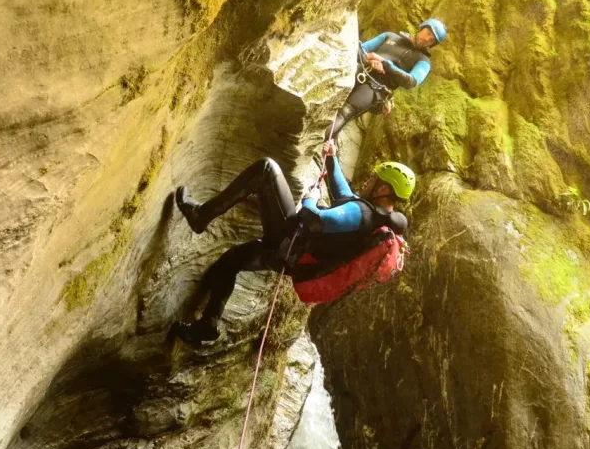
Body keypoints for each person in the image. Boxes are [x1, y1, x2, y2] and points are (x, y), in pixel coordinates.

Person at [169, 142, 415, 345]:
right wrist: (332, 158)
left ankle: (201, 216)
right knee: (231, 261)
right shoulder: (376, 218)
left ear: (382, 188)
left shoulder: (361, 214)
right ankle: (207, 326)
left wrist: (311, 198)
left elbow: (313, 219)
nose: (369, 180)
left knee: (266, 169)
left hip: (288, 241)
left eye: (374, 178)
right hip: (293, 260)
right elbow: (344, 195)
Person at [325, 18, 447, 142]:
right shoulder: (390, 37)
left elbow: (411, 81)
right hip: (360, 71)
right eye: (428, 33)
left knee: (345, 111)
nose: (427, 39)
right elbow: (359, 50)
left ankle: (319, 142)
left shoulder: (423, 61)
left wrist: (385, 64)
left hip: (376, 88)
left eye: (432, 40)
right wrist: (370, 60)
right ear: (422, 28)